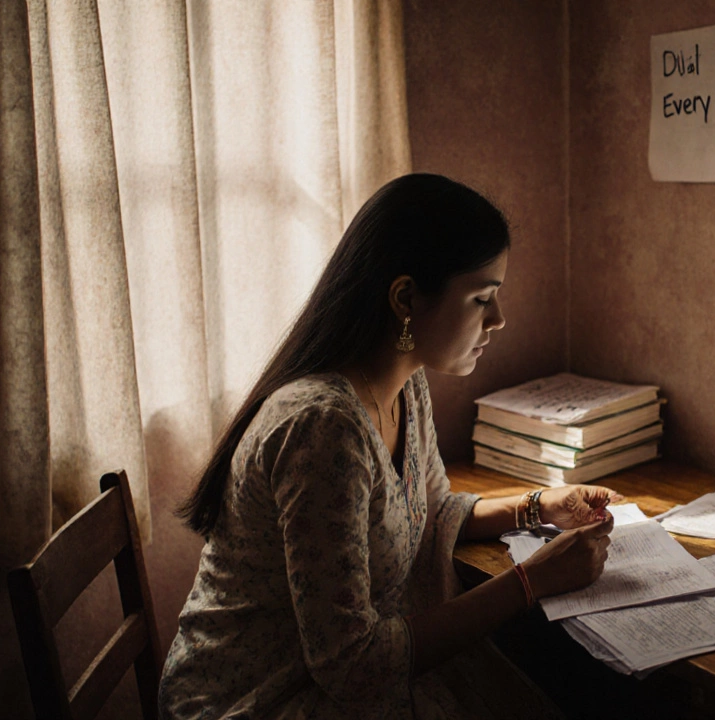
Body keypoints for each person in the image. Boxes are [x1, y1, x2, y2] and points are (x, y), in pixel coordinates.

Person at [160, 173, 620, 719]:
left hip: (320, 680)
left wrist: (539, 505)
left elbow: (428, 510)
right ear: (405, 298)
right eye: (481, 298)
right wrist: (531, 580)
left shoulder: (406, 384)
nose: (498, 320)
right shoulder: (324, 430)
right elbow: (351, 663)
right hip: (257, 698)